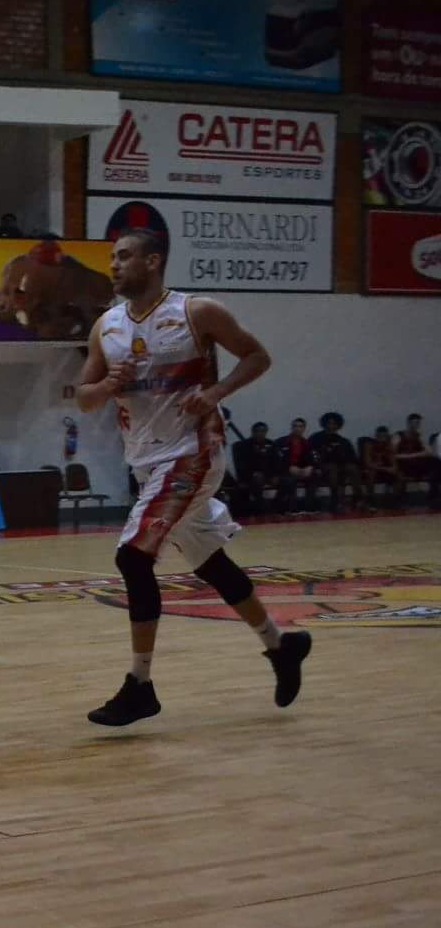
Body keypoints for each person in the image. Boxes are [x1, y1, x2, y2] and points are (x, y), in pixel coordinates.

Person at [74, 228, 308, 728]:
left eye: (125, 256)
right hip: (146, 461)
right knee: (211, 565)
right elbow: (83, 395)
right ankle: (280, 646)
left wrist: (217, 391)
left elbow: (257, 356)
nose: (114, 264)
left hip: (192, 453)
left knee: (132, 557)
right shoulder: (106, 326)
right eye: (113, 257)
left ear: (153, 261)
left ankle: (140, 685)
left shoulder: (196, 312)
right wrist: (102, 386)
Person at [309, 412, 364, 513]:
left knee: (353, 468)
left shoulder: (343, 441)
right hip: (322, 468)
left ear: (339, 425)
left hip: (341, 468)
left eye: (334, 424)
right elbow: (311, 455)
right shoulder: (316, 438)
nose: (332, 426)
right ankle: (335, 499)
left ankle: (358, 498)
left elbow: (352, 458)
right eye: (329, 423)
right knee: (332, 467)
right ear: (324, 424)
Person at [230, 420, 288, 516]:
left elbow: (277, 462)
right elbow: (240, 466)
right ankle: (261, 509)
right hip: (250, 476)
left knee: (287, 481)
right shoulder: (242, 446)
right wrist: (253, 474)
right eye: (258, 431)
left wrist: (276, 475)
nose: (260, 434)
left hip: (268, 475)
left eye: (263, 431)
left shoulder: (271, 444)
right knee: (257, 480)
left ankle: (277, 507)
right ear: (253, 432)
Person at [395, 413, 438, 508]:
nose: (417, 425)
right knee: (401, 469)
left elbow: (429, 452)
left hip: (415, 464)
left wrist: (410, 455)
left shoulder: (419, 436)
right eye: (414, 423)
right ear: (408, 423)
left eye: (418, 423)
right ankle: (399, 499)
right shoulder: (399, 436)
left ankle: (433, 496)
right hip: (403, 464)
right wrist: (411, 456)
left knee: (435, 462)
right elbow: (393, 455)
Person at [279, 418, 320, 513]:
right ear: (291, 428)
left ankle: (310, 507)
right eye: (295, 426)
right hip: (287, 471)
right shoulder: (281, 442)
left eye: (300, 426)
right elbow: (277, 461)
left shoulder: (308, 443)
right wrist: (289, 468)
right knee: (290, 480)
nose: (297, 429)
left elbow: (315, 458)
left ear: (304, 428)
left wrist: (310, 467)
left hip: (302, 471)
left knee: (314, 475)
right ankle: (293, 509)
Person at [362, 425, 408, 508]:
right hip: (375, 469)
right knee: (370, 474)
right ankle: (370, 499)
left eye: (384, 436)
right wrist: (384, 468)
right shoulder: (369, 444)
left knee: (401, 475)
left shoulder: (390, 445)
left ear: (387, 436)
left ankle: (397, 499)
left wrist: (394, 468)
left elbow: (394, 462)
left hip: (387, 469)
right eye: (380, 436)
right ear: (376, 436)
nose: (382, 438)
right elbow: (368, 463)